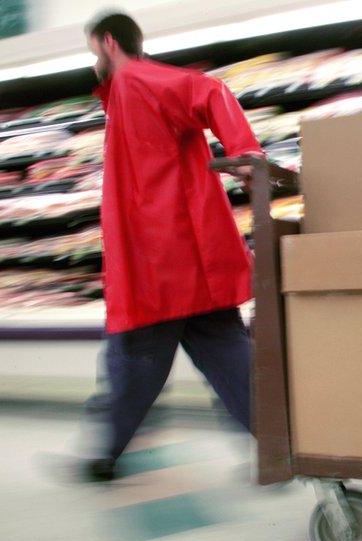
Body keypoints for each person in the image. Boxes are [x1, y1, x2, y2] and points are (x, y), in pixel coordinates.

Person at [83, 12, 261, 481]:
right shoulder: (125, 95)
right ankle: (281, 442)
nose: (92, 63)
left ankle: (105, 454)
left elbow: (209, 90)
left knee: (130, 365)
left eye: (91, 52)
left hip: (157, 268)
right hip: (194, 263)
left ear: (108, 42)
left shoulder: (136, 80)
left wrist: (246, 152)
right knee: (232, 361)